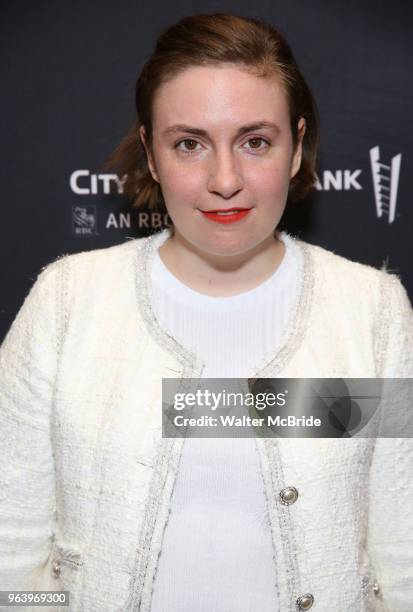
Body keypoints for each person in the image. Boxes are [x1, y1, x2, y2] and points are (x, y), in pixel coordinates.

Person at [0, 12, 412, 612]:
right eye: (189, 143)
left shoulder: (371, 313)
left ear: (297, 147)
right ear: (150, 150)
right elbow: (8, 552)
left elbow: (403, 551)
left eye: (255, 142)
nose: (225, 180)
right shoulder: (67, 303)